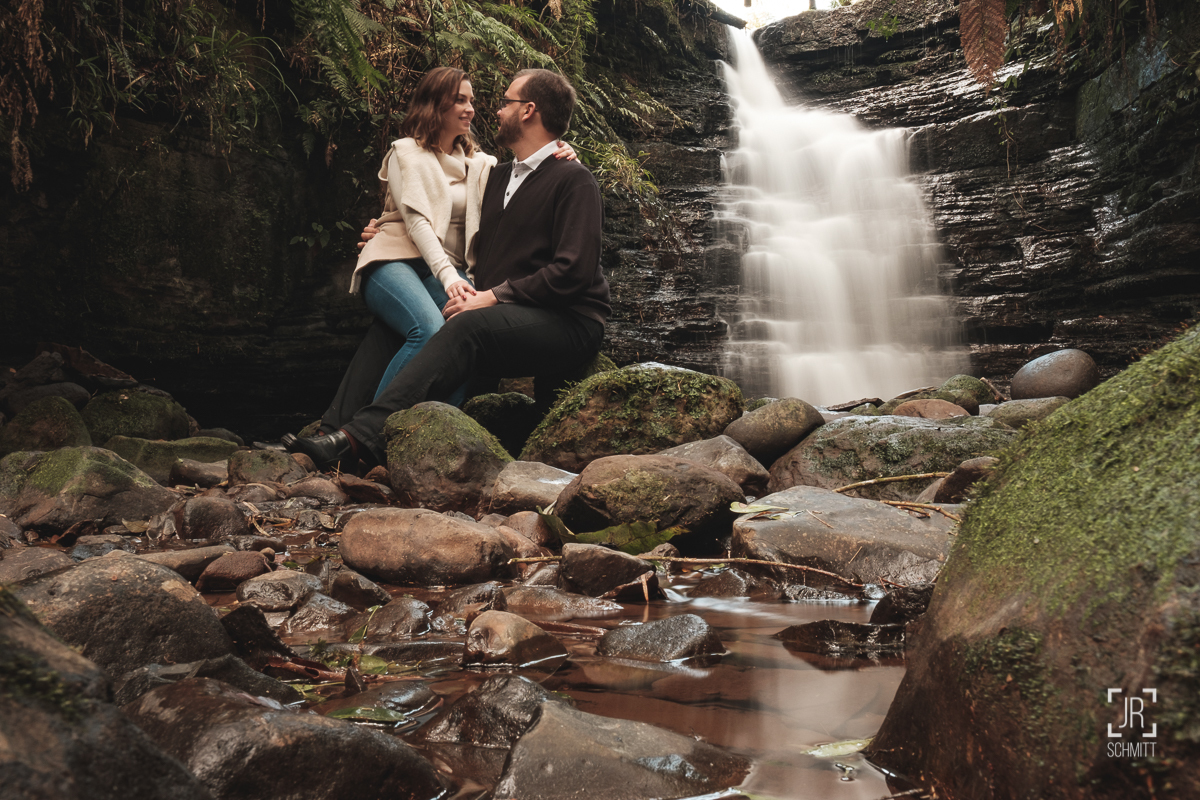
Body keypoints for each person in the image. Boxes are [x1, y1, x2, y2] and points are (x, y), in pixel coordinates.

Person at [291, 68, 609, 471]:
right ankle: (333, 431)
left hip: (571, 320)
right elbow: (443, 214)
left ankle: (361, 438)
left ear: (529, 111)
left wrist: (490, 297)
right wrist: (384, 226)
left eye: (505, 102)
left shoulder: (573, 179)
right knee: (411, 323)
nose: (492, 111)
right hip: (516, 313)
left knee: (466, 325)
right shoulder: (495, 177)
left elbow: (574, 272)